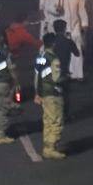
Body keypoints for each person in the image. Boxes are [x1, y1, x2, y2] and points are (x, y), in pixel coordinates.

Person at [35, 32, 67, 160]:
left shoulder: (40, 57)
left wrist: (37, 93)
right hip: (54, 93)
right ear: (53, 43)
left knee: (47, 120)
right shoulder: (54, 59)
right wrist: (66, 78)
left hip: (44, 93)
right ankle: (52, 148)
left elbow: (37, 77)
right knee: (56, 121)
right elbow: (57, 78)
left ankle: (47, 146)